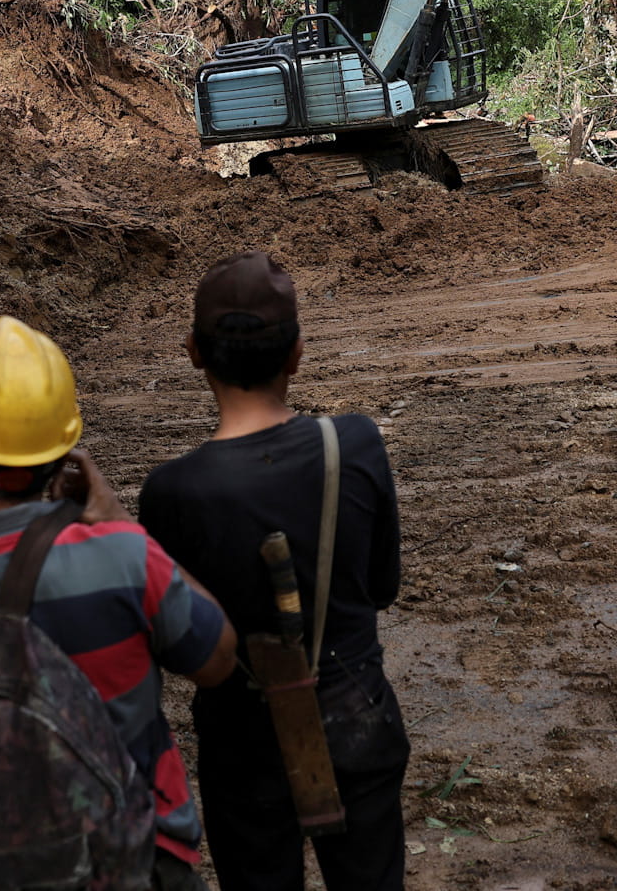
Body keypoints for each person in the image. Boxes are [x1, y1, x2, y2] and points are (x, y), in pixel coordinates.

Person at [0, 316, 238, 890]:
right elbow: (217, 659)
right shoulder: (124, 558)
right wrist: (121, 523)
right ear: (62, 454)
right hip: (138, 865)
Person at [137, 252, 409, 891]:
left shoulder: (172, 492)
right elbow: (384, 586)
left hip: (242, 744)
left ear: (194, 353)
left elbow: (178, 642)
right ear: (296, 354)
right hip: (357, 718)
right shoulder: (355, 444)